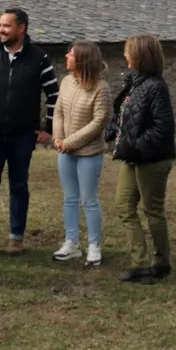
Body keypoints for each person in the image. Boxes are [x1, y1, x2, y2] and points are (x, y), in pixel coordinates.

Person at [0, 8, 59, 256]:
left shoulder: (39, 58)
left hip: (22, 136)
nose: (1, 30)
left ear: (21, 28)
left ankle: (16, 238)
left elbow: (54, 95)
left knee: (18, 186)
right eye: (0, 25)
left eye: (7, 26)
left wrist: (47, 129)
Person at [106, 34, 176, 284]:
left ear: (140, 55)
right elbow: (124, 114)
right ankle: (140, 263)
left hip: (152, 160)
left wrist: (135, 146)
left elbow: (163, 128)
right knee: (124, 207)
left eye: (128, 51)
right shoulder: (134, 83)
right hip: (132, 158)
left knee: (152, 211)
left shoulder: (156, 86)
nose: (124, 55)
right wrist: (113, 129)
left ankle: (161, 262)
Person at [51, 41, 111, 267]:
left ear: (83, 60)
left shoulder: (101, 88)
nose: (66, 56)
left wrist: (69, 142)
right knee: (69, 199)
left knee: (89, 200)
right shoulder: (66, 82)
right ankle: (71, 243)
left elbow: (99, 122)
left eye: (71, 54)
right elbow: (58, 111)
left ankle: (94, 246)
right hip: (65, 152)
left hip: (89, 154)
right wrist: (58, 138)